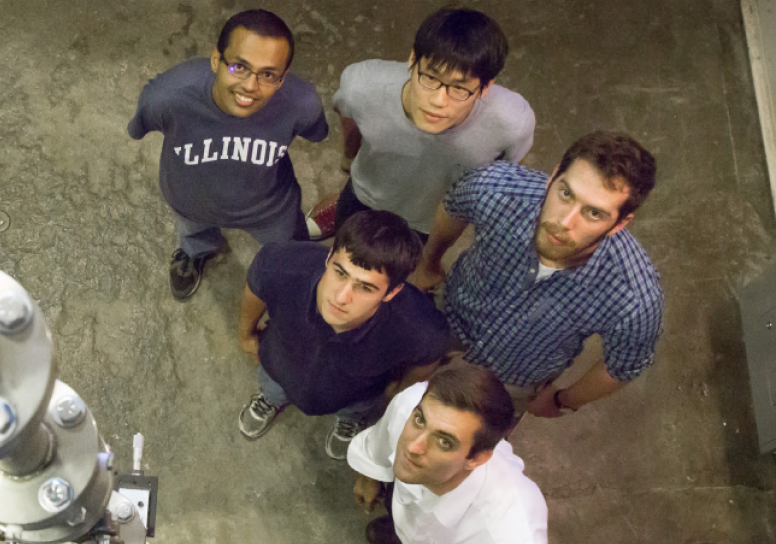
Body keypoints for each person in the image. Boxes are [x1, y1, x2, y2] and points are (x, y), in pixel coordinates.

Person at [413, 131, 662, 418]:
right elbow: (455, 205)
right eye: (566, 193)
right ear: (553, 176)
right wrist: (428, 263)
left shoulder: (633, 297)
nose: (564, 222)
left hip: (510, 381)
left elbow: (624, 365)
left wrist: (564, 400)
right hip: (445, 320)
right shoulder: (498, 189)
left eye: (594, 213)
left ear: (620, 223)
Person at [348, 363, 582, 544]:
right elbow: (385, 437)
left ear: (477, 458)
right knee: (398, 508)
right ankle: (401, 534)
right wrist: (370, 474)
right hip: (407, 506)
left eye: (444, 441)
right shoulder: (416, 402)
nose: (413, 446)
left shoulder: (509, 538)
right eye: (420, 421)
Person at [129, 9, 329, 301]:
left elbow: (315, 131)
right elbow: (140, 126)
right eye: (239, 67)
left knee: (287, 254)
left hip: (270, 209)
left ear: (283, 78)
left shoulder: (302, 104)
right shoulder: (167, 97)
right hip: (191, 200)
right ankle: (196, 251)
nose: (250, 86)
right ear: (215, 60)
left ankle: (287, 274)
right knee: (194, 232)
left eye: (268, 74)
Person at [308, 6, 533, 241]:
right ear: (413, 58)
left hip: (429, 221)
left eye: (459, 88)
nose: (437, 101)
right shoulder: (362, 85)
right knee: (346, 241)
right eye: (430, 77)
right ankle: (341, 210)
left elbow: (512, 174)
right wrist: (348, 155)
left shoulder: (512, 122)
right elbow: (349, 115)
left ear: (485, 87)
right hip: (365, 193)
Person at [237, 210, 448, 459]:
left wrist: (402, 392)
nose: (341, 297)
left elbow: (431, 350)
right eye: (340, 272)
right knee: (273, 385)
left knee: (355, 408)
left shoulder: (416, 325)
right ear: (329, 257)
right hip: (279, 365)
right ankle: (271, 398)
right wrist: (245, 334)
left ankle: (349, 420)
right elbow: (257, 281)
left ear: (391, 293)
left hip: (356, 394)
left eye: (365, 287)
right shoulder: (285, 265)